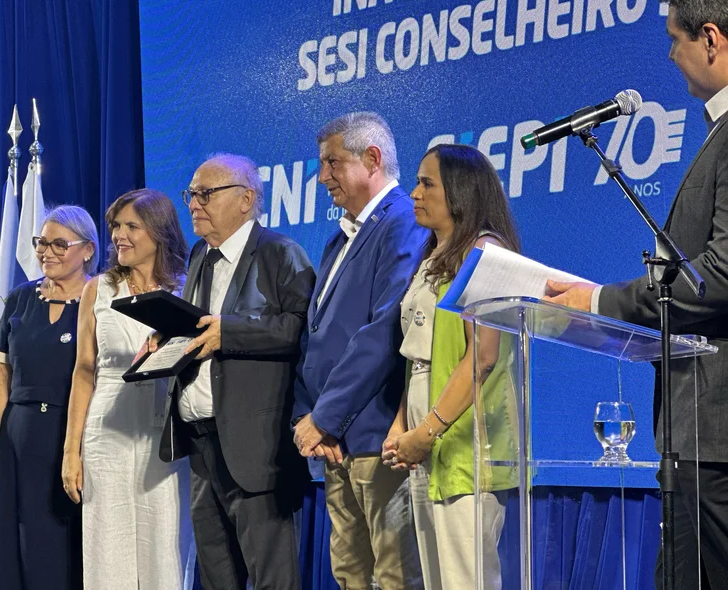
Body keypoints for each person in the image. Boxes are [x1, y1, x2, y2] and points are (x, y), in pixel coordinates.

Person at [545, 2, 728, 587]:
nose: (670, 56)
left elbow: (718, 276)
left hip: (714, 428)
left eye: (674, 40)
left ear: (710, 38)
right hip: (697, 431)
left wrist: (599, 302)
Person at [153, 153, 315, 590]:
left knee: (271, 578)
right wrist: (168, 342)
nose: (194, 203)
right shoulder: (200, 255)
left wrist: (233, 334)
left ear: (246, 199)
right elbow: (201, 331)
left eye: (206, 193)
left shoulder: (280, 253)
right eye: (191, 194)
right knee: (216, 576)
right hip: (203, 441)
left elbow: (302, 328)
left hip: (256, 447)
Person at [292, 111, 430, 590]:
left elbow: (386, 330)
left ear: (372, 159)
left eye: (332, 162)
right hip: (335, 443)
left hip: (377, 436)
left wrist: (325, 417)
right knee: (350, 573)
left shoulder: (403, 222)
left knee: (394, 575)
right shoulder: (338, 239)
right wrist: (310, 419)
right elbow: (313, 338)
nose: (322, 176)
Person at [382, 144, 521, 590]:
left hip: (465, 445)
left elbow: (481, 359)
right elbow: (419, 352)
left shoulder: (486, 253)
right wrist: (402, 424)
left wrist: (425, 433)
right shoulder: (431, 256)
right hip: (427, 436)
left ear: (461, 191)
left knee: (467, 581)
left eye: (427, 183)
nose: (415, 193)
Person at [60, 189, 195, 590]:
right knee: (107, 556)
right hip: (107, 437)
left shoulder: (186, 289)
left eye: (131, 226)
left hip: (167, 441)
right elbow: (84, 372)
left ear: (159, 232)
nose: (119, 235)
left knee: (167, 556)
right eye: (116, 226)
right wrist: (72, 453)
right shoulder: (97, 290)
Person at [0, 205, 98, 590]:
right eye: (42, 242)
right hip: (17, 444)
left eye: (60, 244)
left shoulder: (101, 302)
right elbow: (1, 377)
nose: (47, 252)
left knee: (62, 551)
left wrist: (73, 449)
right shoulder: (20, 299)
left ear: (88, 250)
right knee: (14, 547)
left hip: (73, 443)